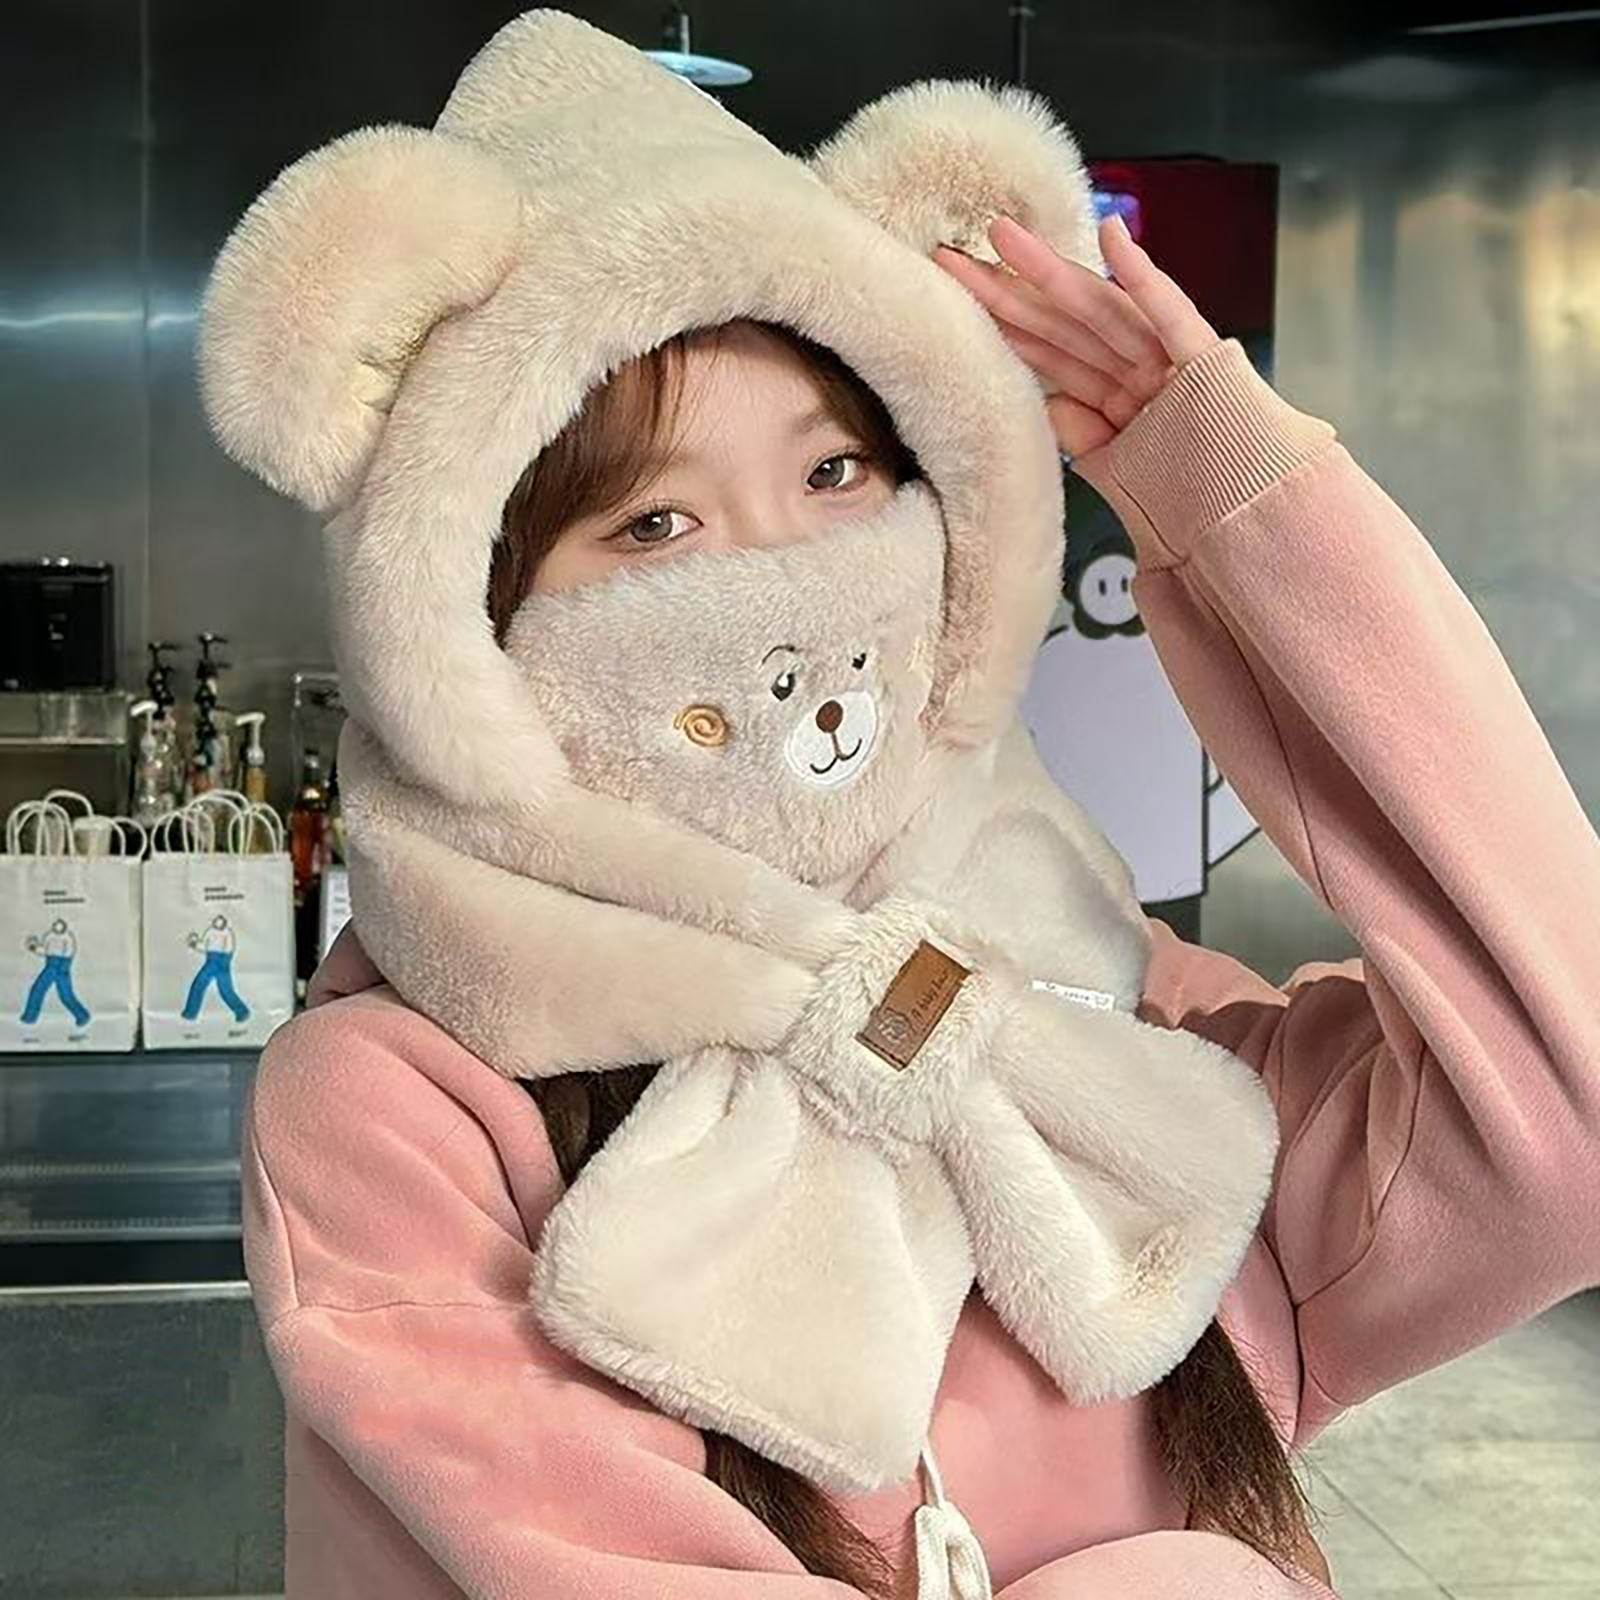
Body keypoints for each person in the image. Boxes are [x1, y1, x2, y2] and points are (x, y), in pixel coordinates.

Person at [202, 12, 1600, 1599]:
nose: (785, 576)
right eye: (653, 522)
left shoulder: (1106, 1007)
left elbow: (1567, 1116)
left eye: (835, 475)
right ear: (465, 616)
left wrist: (1231, 499)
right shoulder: (403, 1106)